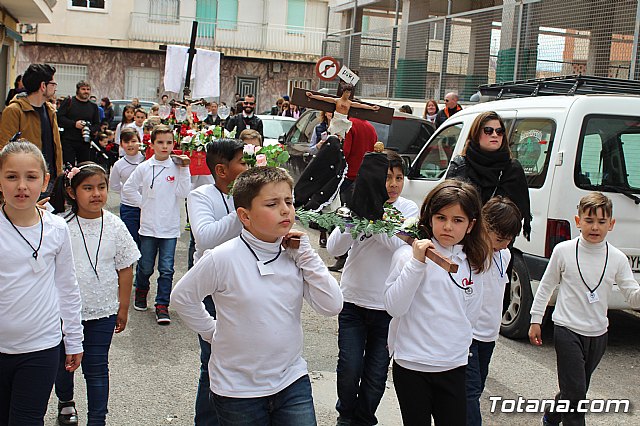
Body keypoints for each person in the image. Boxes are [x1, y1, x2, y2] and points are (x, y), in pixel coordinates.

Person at [171, 166, 343, 426]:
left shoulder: (295, 255)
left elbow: (332, 305)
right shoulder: (222, 257)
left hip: (291, 380)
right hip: (237, 390)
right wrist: (210, 331)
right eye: (272, 204)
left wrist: (307, 256)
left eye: (289, 201)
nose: (285, 210)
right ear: (245, 216)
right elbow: (183, 297)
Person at [384, 179, 490, 426]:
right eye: (441, 218)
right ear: (429, 217)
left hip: (453, 364)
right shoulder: (405, 257)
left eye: (457, 220)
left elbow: (471, 314)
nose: (448, 227)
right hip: (412, 364)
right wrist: (417, 264)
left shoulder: (473, 263)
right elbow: (394, 307)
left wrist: (456, 345)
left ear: (471, 224)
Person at [529, 192, 640, 426]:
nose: (595, 227)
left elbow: (632, 296)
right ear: (578, 221)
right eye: (589, 221)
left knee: (575, 389)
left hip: (598, 334)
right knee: (577, 393)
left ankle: (552, 415)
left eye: (601, 222)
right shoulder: (563, 251)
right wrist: (535, 319)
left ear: (611, 224)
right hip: (567, 329)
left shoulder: (618, 258)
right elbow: (546, 285)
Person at [328, 150, 418, 426]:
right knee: (349, 367)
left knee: (377, 372)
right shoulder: (356, 205)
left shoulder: (408, 210)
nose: (393, 184)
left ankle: (364, 419)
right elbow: (334, 249)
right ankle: (346, 416)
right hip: (353, 301)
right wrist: (354, 215)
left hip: (387, 307)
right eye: (387, 177)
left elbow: (399, 245)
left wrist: (374, 216)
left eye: (399, 178)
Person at [49, 162, 139, 426]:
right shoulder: (58, 224)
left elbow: (125, 268)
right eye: (87, 188)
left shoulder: (115, 225)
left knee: (97, 367)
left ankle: (97, 419)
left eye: (101, 187)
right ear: (71, 191)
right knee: (64, 364)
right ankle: (66, 402)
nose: (96, 193)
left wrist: (122, 308)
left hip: (103, 311)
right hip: (64, 313)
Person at [0, 141, 83, 425]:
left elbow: (67, 286)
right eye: (11, 176)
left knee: (27, 419)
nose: (21, 185)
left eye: (31, 177)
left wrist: (74, 338)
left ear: (45, 181)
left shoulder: (57, 229)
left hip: (41, 347)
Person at [186, 138, 248, 425]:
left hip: (246, 285)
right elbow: (206, 238)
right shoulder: (200, 196)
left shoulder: (253, 194)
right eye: (242, 162)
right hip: (212, 287)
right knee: (212, 360)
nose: (247, 167)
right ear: (222, 170)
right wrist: (242, 210)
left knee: (245, 359)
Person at [122, 124, 191, 325]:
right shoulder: (144, 167)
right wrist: (143, 203)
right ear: (151, 144)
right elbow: (128, 189)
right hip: (149, 226)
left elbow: (183, 193)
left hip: (169, 227)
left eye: (169, 142)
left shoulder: (177, 167)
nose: (165, 146)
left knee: (167, 268)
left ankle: (162, 305)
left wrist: (185, 169)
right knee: (145, 266)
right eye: (160, 142)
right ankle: (141, 291)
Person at [466, 196, 522, 426]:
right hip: (467, 336)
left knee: (476, 389)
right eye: (499, 238)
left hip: (489, 336)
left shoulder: (505, 254)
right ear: (484, 226)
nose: (504, 244)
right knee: (468, 396)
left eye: (509, 239)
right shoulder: (469, 253)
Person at [446, 110, 531, 240]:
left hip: (497, 243)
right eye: (488, 131)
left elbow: (516, 214)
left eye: (500, 131)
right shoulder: (461, 165)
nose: (495, 135)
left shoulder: (513, 169)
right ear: (476, 134)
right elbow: (448, 205)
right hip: (464, 241)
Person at [0, 63, 63, 186]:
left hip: (50, 179)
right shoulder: (15, 110)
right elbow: (5, 149)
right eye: (53, 84)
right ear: (43, 86)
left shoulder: (50, 110)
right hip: (27, 182)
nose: (55, 88)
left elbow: (56, 148)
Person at [329, 116, 378, 272]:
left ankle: (342, 257)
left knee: (345, 218)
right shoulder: (370, 126)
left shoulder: (350, 125)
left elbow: (346, 152)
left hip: (349, 177)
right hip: (365, 177)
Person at [109, 128, 144, 248]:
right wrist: (127, 193)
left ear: (139, 141)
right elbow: (114, 185)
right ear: (121, 144)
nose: (130, 145)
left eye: (133, 141)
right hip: (129, 208)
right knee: (131, 241)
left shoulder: (147, 160)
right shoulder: (119, 165)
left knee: (146, 243)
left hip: (148, 206)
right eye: (126, 142)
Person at [306, 85, 380, 139]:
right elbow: (324, 98)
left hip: (344, 120)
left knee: (341, 136)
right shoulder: (337, 100)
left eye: (349, 93)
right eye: (347, 92)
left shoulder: (350, 103)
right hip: (336, 119)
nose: (348, 94)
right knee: (332, 135)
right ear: (343, 92)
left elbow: (361, 105)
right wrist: (312, 96)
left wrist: (371, 108)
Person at [57, 80, 101, 165]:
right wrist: (74, 124)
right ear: (78, 90)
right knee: (69, 167)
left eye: (88, 89)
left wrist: (88, 129)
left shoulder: (93, 106)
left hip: (85, 142)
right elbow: (59, 118)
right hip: (69, 141)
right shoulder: (69, 102)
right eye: (83, 89)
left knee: (84, 168)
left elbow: (97, 124)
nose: (86, 91)